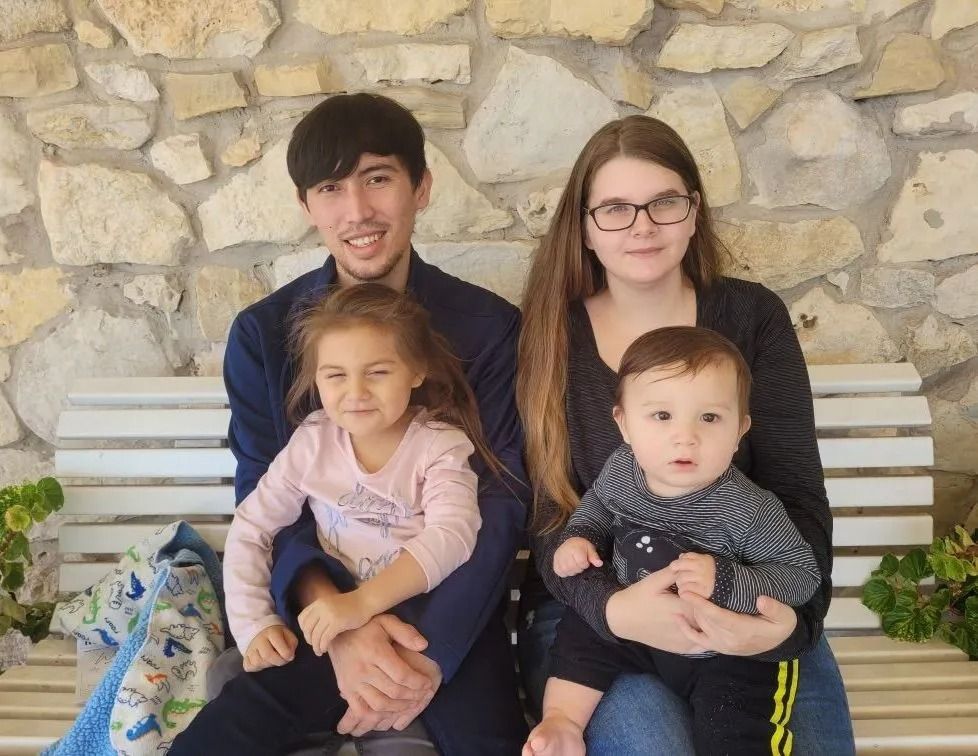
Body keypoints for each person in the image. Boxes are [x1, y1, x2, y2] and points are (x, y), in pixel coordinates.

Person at [171, 93, 528, 756]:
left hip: (446, 611)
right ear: (307, 206)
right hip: (322, 606)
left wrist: (430, 657)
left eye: (378, 179)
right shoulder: (265, 336)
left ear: (421, 188)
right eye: (331, 188)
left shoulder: (487, 328)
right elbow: (268, 500)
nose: (358, 212)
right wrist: (341, 621)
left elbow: (502, 499)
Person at [515, 114, 856, 755]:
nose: (642, 225)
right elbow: (550, 516)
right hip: (592, 618)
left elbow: (798, 495)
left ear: (694, 212)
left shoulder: (751, 316)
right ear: (584, 226)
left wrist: (782, 627)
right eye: (615, 208)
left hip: (740, 597)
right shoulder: (547, 335)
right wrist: (614, 609)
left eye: (664, 202)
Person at [524, 326, 821, 756]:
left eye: (710, 417)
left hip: (722, 648)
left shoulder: (750, 509)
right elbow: (598, 507)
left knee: (738, 723)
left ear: (741, 429)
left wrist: (725, 582)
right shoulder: (623, 470)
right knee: (582, 635)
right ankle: (563, 721)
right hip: (639, 622)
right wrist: (580, 536)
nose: (686, 436)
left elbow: (800, 576)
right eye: (662, 416)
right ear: (623, 424)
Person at [225, 283, 504, 668]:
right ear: (316, 379)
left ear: (416, 372)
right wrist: (253, 622)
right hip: (333, 623)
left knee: (481, 726)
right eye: (336, 375)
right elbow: (252, 525)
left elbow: (453, 534)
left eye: (377, 372)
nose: (356, 392)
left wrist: (363, 602)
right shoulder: (312, 442)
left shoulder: (440, 446)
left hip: (421, 620)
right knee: (243, 705)